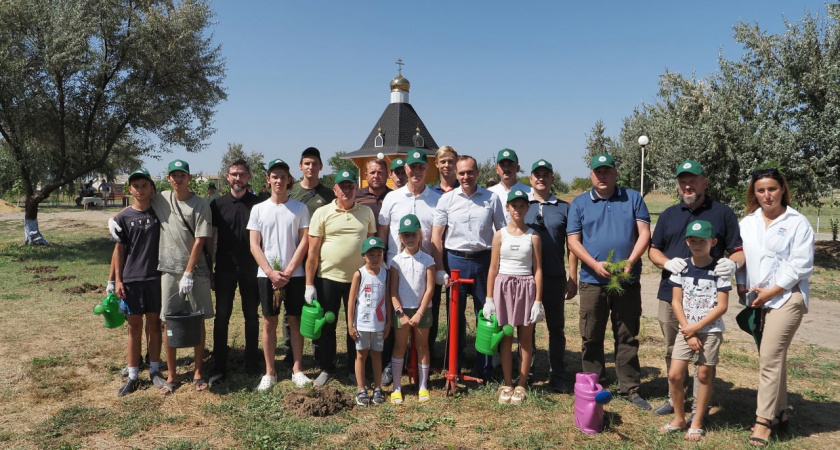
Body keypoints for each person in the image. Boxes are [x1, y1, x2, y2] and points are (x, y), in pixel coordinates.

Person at [648, 159, 744, 417]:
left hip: (707, 299)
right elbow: (653, 251)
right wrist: (668, 262)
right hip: (672, 295)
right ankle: (674, 398)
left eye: (692, 181)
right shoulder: (669, 214)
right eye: (683, 182)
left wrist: (732, 265)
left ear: (705, 182)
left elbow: (738, 251)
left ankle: (698, 406)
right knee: (674, 348)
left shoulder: (722, 213)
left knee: (704, 357)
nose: (687, 186)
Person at [567, 153, 652, 409]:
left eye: (607, 171)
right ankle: (595, 385)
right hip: (592, 281)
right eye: (597, 172)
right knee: (591, 335)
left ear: (615, 173)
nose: (602, 176)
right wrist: (593, 264)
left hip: (626, 279)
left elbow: (644, 233)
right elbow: (573, 241)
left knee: (627, 334)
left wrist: (630, 261)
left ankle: (630, 388)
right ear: (591, 174)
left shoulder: (633, 198)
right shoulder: (580, 203)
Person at [737, 168, 813, 447]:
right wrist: (741, 286)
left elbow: (801, 265)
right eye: (760, 190)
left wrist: (773, 291)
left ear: (782, 189)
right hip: (758, 299)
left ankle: (763, 421)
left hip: (787, 297)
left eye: (772, 189)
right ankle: (780, 413)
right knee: (772, 357)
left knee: (769, 357)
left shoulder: (798, 222)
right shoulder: (748, 222)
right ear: (753, 193)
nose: (767, 195)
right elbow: (741, 257)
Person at [432, 155, 505, 379]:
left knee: (486, 313)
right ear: (456, 174)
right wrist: (439, 268)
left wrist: (500, 265)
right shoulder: (447, 200)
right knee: (455, 315)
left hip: (484, 261)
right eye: (461, 173)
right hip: (455, 261)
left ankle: (485, 366)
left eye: (470, 172)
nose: (466, 177)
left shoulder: (491, 198)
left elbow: (502, 233)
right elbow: (437, 236)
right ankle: (455, 362)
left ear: (477, 173)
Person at [305, 169, 377, 386]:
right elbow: (313, 252)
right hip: (328, 277)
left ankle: (354, 368)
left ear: (356, 188)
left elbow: (371, 249)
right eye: (342, 186)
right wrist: (309, 284)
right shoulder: (322, 213)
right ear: (335, 189)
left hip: (358, 280)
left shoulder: (366, 213)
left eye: (350, 186)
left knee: (355, 325)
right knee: (328, 324)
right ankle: (327, 367)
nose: (346, 189)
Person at [660, 220, 730, 442]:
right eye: (693, 240)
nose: (697, 244)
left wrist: (697, 328)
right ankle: (679, 419)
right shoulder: (681, 268)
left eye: (702, 241)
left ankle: (697, 421)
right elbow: (676, 302)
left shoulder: (719, 270)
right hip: (686, 329)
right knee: (675, 374)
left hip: (710, 331)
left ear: (713, 242)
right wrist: (688, 330)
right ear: (686, 242)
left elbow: (722, 305)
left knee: (704, 374)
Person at [248, 159, 312, 390]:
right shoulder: (258, 209)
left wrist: (289, 270)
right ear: (268, 180)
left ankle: (297, 369)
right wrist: (270, 272)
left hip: (294, 275)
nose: (278, 181)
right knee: (269, 322)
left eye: (283, 177)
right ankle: (270, 372)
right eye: (274, 177)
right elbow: (255, 245)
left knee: (294, 321)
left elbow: (305, 241)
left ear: (289, 180)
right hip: (267, 275)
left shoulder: (299, 208)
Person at [378, 149, 444, 374]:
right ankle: (390, 364)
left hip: (424, 270)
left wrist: (439, 269)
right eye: (412, 167)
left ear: (427, 169)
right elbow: (382, 233)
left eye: (421, 167)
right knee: (393, 316)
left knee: (426, 314)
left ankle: (423, 361)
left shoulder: (437, 200)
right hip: (395, 267)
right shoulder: (392, 198)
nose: (416, 171)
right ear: (405, 169)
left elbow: (436, 239)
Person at [154, 159, 214, 394]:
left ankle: (198, 371)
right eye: (173, 175)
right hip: (169, 271)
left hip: (195, 272)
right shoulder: (161, 199)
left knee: (197, 320)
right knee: (169, 320)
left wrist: (189, 272)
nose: (177, 179)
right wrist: (116, 219)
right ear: (168, 178)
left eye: (182, 175)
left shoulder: (201, 204)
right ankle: (172, 374)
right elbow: (138, 199)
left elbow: (200, 239)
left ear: (189, 178)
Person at [485, 189, 544, 405]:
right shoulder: (500, 234)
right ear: (507, 208)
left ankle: (522, 383)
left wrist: (538, 300)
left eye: (522, 206)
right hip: (504, 287)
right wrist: (489, 298)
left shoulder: (534, 236)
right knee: (506, 336)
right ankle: (507, 383)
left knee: (525, 339)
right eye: (514, 206)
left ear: (527, 208)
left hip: (526, 287)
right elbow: (493, 268)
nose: (517, 210)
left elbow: (538, 269)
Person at [525, 159, 578, 394]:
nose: (541, 178)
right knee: (527, 327)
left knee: (556, 328)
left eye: (546, 175)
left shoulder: (565, 208)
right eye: (537, 174)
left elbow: (572, 246)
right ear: (530, 179)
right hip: (526, 278)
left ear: (552, 179)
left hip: (555, 277)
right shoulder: (520, 205)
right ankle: (526, 373)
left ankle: (557, 375)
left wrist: (572, 277)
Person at [111, 169, 164, 396]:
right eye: (136, 186)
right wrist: (116, 280)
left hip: (156, 278)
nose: (140, 190)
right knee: (134, 328)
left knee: (155, 325)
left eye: (145, 185)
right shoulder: (122, 218)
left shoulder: (161, 213)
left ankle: (154, 369)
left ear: (152, 188)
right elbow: (119, 250)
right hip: (132, 280)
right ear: (130, 190)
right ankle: (133, 374)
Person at [209, 159, 262, 381]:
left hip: (251, 269)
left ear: (248, 177)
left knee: (252, 316)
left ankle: (252, 363)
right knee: (222, 317)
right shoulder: (217, 205)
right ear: (227, 177)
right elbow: (211, 239)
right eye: (233, 174)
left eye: (242, 174)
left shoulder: (259, 205)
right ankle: (219, 364)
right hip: (225, 268)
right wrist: (210, 270)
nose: (237, 178)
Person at [288, 147, 336, 362]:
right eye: (306, 163)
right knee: (292, 307)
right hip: (295, 256)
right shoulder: (291, 193)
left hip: (320, 258)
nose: (310, 167)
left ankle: (319, 349)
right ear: (300, 166)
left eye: (314, 163)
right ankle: (290, 350)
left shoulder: (329, 195)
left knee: (319, 303)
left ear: (320, 167)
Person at [388, 214, 435, 404]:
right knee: (399, 346)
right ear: (400, 238)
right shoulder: (395, 261)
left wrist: (420, 313)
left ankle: (423, 386)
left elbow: (430, 288)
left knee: (422, 346)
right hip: (403, 312)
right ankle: (397, 388)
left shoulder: (428, 260)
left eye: (413, 235)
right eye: (405, 235)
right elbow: (392, 291)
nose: (410, 239)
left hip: (422, 310)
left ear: (419, 236)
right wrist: (400, 313)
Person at [347, 236, 390, 405]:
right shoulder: (359, 274)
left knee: (377, 355)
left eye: (379, 254)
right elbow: (351, 301)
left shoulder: (385, 273)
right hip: (362, 324)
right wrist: (350, 324)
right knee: (361, 355)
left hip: (379, 324)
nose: (375, 258)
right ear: (363, 255)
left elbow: (386, 297)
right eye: (371, 254)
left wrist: (388, 322)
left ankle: (378, 387)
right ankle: (361, 388)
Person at [487, 149, 530, 222]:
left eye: (510, 164)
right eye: (502, 165)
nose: (506, 169)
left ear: (517, 168)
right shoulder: (489, 194)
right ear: (497, 169)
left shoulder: (530, 192)